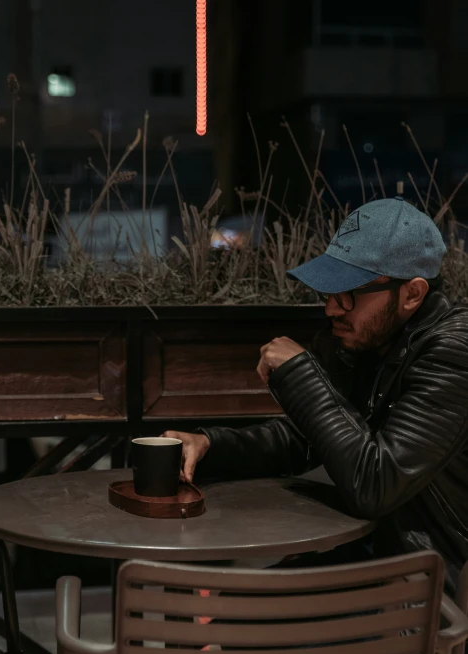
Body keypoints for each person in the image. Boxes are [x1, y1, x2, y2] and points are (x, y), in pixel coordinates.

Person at [162, 196, 468, 593]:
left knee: (239, 621)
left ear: (411, 294)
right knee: (231, 609)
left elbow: (376, 485)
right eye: (327, 291)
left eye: (349, 293)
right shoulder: (369, 338)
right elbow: (302, 439)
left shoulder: (453, 351)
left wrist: (303, 375)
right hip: (372, 554)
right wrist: (209, 444)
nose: (331, 309)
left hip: (429, 584)